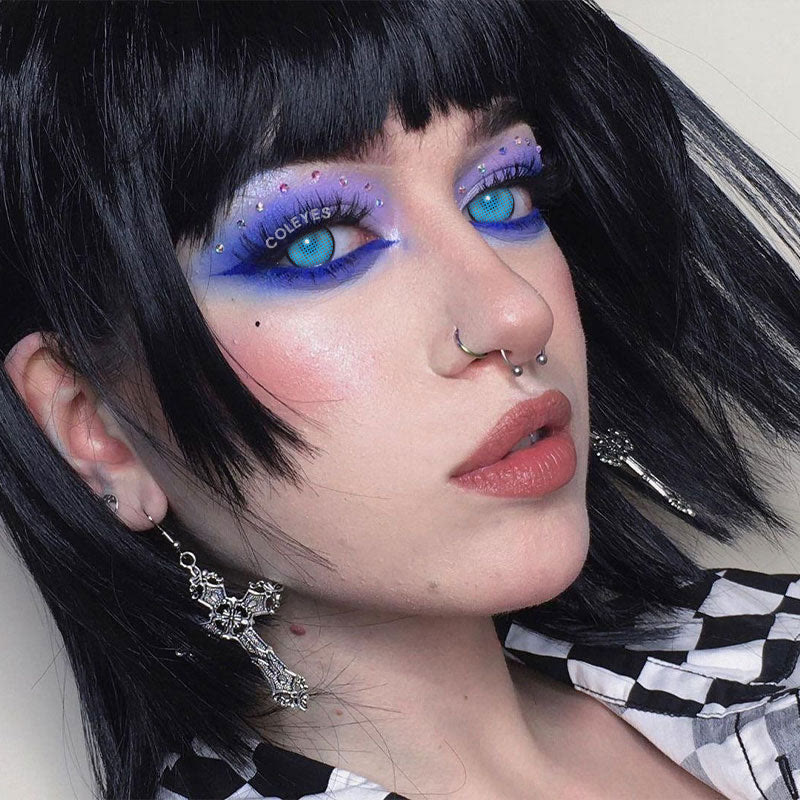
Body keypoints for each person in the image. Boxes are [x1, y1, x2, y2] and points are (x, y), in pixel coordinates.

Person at [1, 1, 798, 798]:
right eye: (312, 242)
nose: (517, 312)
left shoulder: (759, 650)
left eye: (502, 191)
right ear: (97, 431)